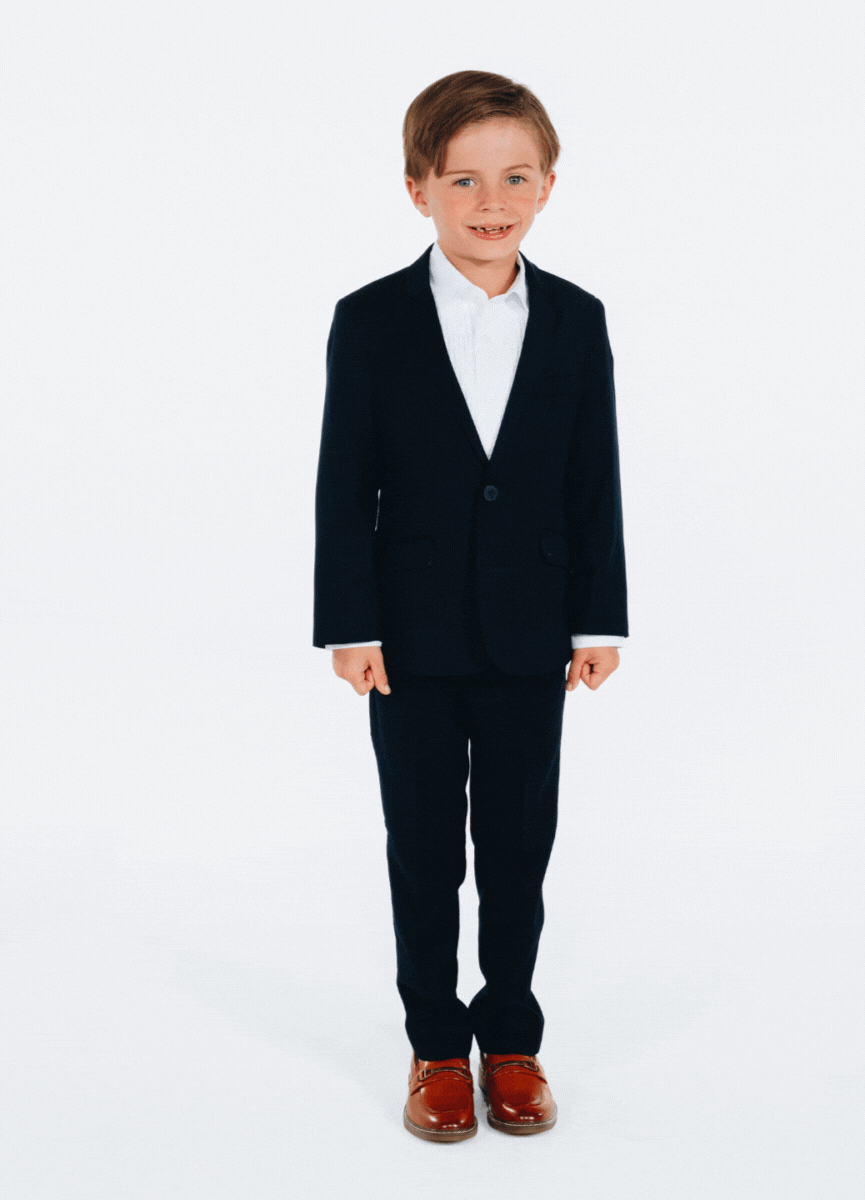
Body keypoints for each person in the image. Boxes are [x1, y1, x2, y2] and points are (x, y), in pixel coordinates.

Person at [313, 69, 629, 1141]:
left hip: (535, 634)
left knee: (516, 845)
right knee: (423, 852)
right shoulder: (370, 321)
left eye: (514, 176)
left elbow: (596, 476)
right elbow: (343, 484)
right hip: (405, 639)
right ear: (418, 190)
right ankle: (436, 1047)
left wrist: (599, 621)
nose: (490, 201)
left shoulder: (579, 321)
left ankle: (513, 1041)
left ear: (546, 185)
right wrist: (350, 626)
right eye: (463, 180)